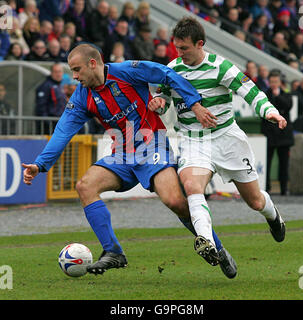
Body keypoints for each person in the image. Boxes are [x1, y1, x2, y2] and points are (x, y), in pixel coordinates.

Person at [22, 43, 236, 278]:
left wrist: (194, 103)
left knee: (175, 201)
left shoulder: (127, 71)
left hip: (153, 145)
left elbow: (166, 73)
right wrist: (40, 164)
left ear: (93, 63)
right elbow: (63, 130)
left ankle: (217, 247)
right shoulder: (82, 97)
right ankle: (113, 252)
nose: (74, 77)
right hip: (122, 154)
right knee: (85, 186)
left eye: (77, 69)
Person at [149, 17, 287, 266]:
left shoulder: (221, 66)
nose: (179, 53)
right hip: (193, 140)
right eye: (176, 47)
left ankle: (273, 215)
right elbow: (163, 98)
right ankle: (207, 242)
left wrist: (269, 112)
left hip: (226, 138)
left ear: (200, 43)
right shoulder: (172, 68)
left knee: (254, 201)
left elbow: (251, 91)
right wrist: (159, 103)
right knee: (191, 185)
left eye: (184, 48)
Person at [261, 71, 294, 195]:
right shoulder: (264, 95)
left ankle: (284, 188)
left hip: (283, 135)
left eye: (276, 82)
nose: (274, 84)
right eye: (272, 82)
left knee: (284, 163)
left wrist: (278, 96)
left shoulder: (286, 94)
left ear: (280, 82)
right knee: (267, 162)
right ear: (269, 82)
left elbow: (288, 106)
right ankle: (267, 187)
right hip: (269, 135)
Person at [35, 62, 67, 134]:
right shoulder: (45, 86)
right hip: (50, 126)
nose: (58, 74)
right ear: (51, 73)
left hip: (59, 124)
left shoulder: (59, 86)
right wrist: (48, 123)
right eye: (56, 72)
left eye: (60, 72)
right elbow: (41, 107)